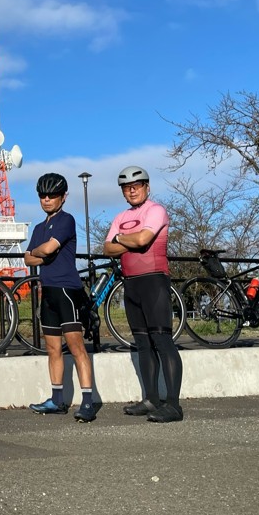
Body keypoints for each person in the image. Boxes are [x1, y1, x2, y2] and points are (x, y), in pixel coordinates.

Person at [103, 166, 183, 423]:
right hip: (131, 284)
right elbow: (107, 249)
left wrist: (120, 237)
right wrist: (126, 238)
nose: (132, 189)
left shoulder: (156, 210)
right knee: (143, 344)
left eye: (137, 185)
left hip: (155, 281)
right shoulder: (120, 216)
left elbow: (143, 240)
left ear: (147, 187)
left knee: (162, 341)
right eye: (127, 187)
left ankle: (173, 405)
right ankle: (151, 399)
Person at [25, 173, 97, 423]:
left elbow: (45, 250)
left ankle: (88, 402)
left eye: (52, 195)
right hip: (48, 292)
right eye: (42, 195)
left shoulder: (67, 220)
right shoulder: (38, 227)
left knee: (77, 347)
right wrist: (41, 252)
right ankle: (56, 400)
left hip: (68, 290)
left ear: (63, 196)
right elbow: (28, 259)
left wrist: (41, 251)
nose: (46, 199)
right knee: (53, 349)